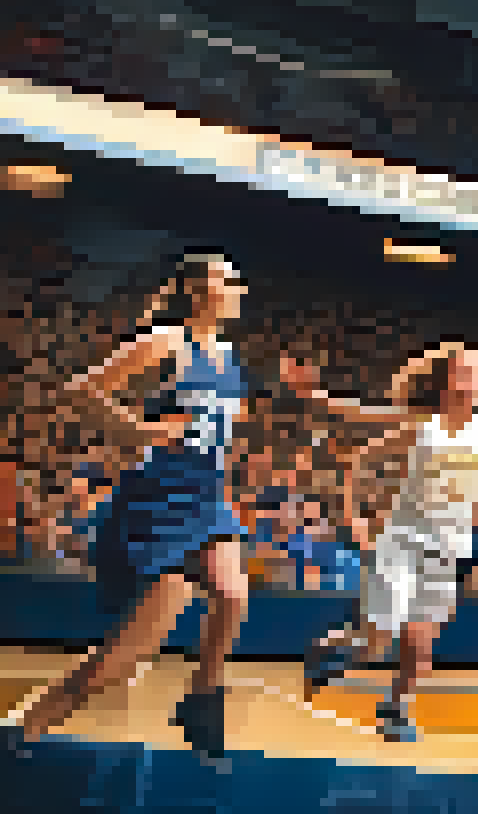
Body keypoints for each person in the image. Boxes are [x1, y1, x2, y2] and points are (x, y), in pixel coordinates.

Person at [4, 254, 265, 760]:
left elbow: (217, 435)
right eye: (224, 279)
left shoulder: (229, 356)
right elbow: (82, 391)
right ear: (195, 291)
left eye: (237, 279)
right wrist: (139, 430)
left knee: (233, 593)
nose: (236, 286)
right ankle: (22, 732)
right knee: (123, 663)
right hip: (159, 502)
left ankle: (202, 698)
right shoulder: (166, 342)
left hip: (205, 496)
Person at [286, 342, 478, 742]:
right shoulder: (421, 421)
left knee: (420, 639)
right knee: (377, 638)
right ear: (445, 380)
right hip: (403, 540)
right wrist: (313, 395)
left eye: (476, 371)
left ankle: (396, 709)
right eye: (465, 370)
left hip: (449, 548)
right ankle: (330, 647)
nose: (473, 378)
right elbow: (360, 414)